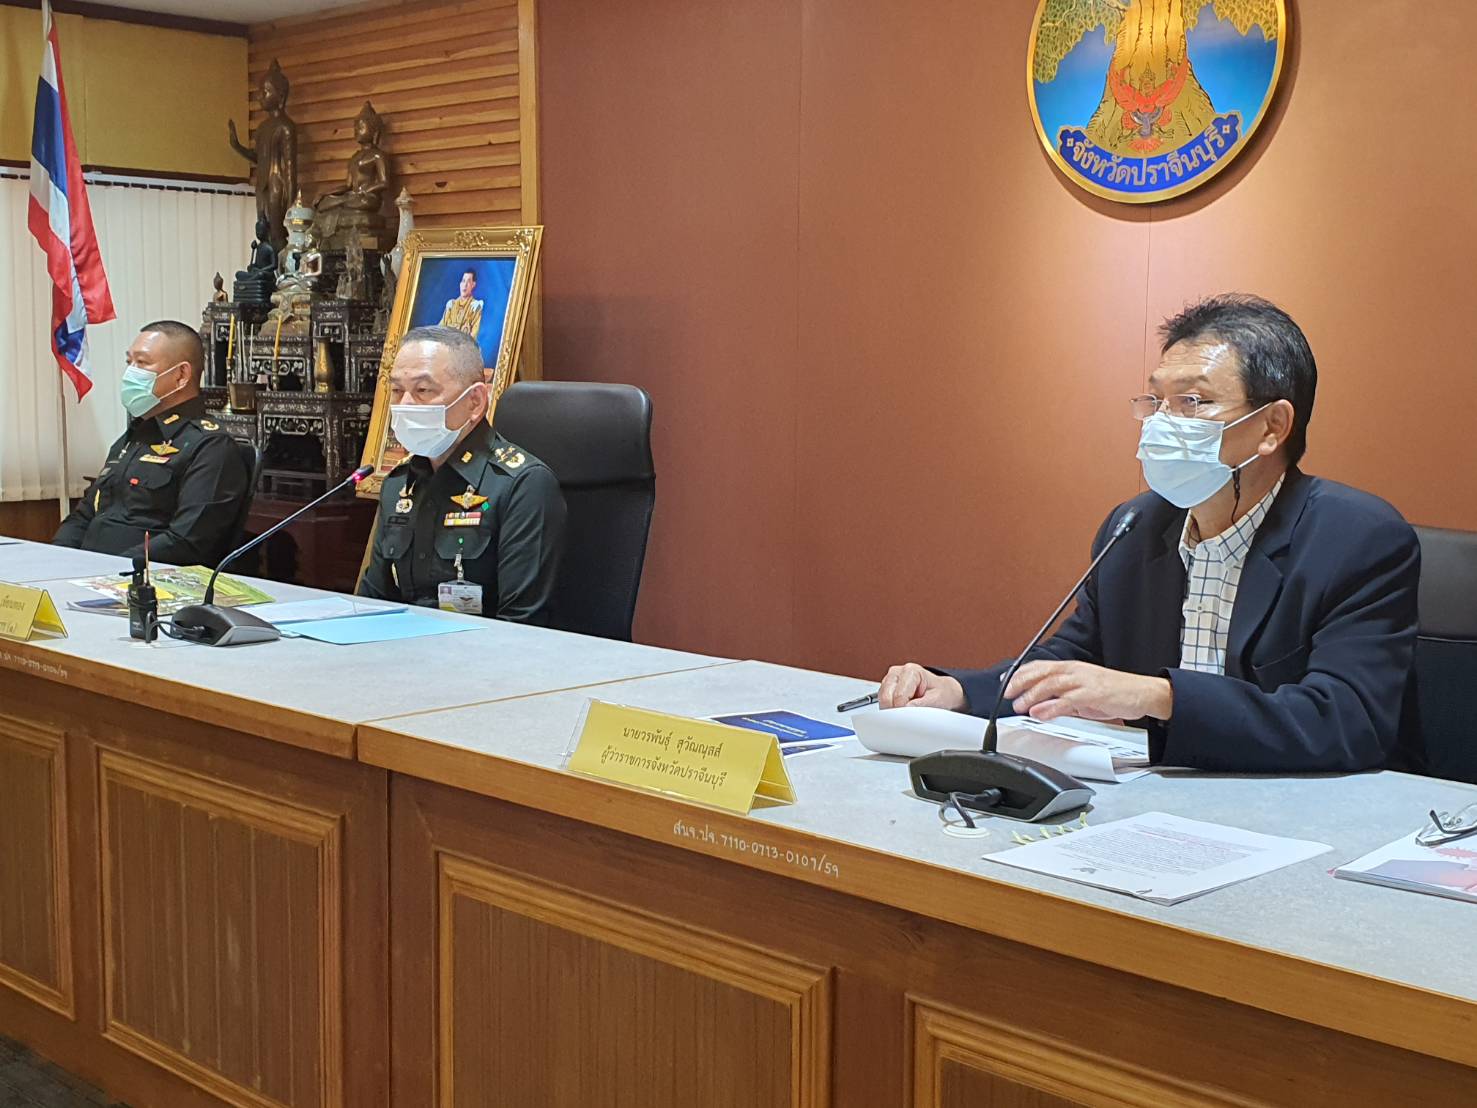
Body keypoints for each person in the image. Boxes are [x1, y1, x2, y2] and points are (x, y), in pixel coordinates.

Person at [879, 293, 1422, 774]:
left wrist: (1161, 697)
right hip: (1160, 803)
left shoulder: (1358, 539)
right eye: (1157, 401)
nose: (1163, 421)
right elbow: (1070, 659)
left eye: (1193, 402)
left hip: (1308, 813)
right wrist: (958, 691)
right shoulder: (1136, 527)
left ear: (1272, 427)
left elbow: (1347, 721)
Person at [359, 325, 566, 624]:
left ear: (475, 402)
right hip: (403, 647)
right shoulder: (399, 484)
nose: (405, 405)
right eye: (397, 391)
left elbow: (522, 624)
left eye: (423, 391)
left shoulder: (522, 485)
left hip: (487, 649)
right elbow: (372, 604)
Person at [55, 321, 249, 567]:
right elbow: (83, 517)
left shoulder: (210, 446)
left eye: (142, 363)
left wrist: (111, 569)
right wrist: (56, 560)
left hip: (143, 578)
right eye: (129, 362)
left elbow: (187, 541)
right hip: (86, 573)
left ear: (181, 375)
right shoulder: (134, 438)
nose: (130, 373)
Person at [438, 269, 484, 340]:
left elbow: (473, 337)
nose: (465, 285)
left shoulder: (475, 307)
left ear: (473, 285)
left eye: (468, 282)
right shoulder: (451, 304)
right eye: (463, 281)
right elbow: (440, 328)